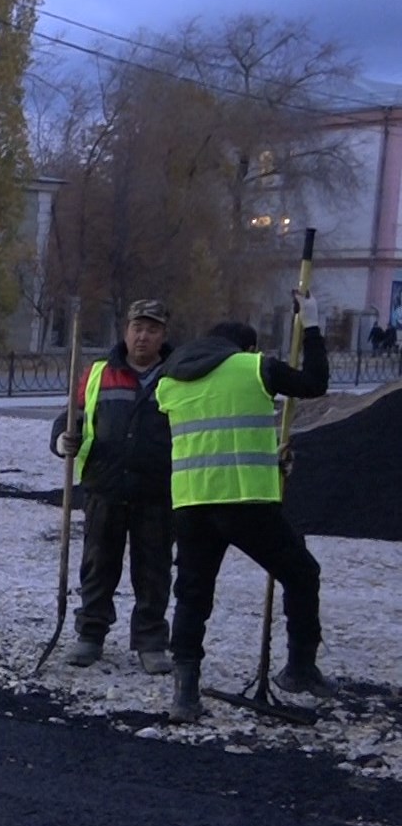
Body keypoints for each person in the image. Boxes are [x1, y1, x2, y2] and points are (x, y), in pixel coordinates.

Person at [153, 294, 331, 724]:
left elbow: (210, 434)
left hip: (192, 502)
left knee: (192, 594)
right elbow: (314, 383)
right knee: (302, 574)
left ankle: (185, 693)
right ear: (246, 347)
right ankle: (300, 668)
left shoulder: (169, 381)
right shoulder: (255, 367)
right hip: (245, 501)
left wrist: (270, 456)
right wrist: (311, 327)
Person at [50, 300, 176, 675]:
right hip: (105, 488)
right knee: (98, 567)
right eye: (138, 328)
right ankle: (90, 635)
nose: (143, 336)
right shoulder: (98, 373)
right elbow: (72, 416)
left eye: (152, 329)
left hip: (157, 491)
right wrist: (61, 439)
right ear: (126, 331)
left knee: (153, 570)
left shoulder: (176, 377)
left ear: (163, 335)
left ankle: (151, 643)